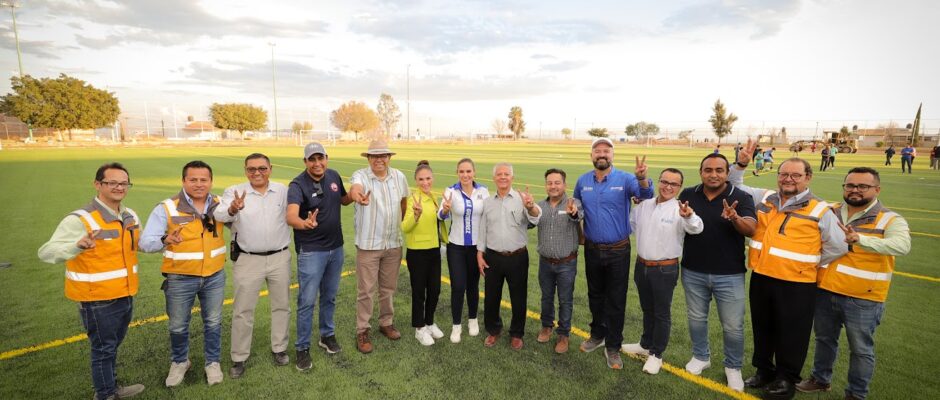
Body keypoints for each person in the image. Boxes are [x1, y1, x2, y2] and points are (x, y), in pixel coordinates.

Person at [732, 141, 848, 400]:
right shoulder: (765, 198)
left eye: (796, 175)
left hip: (797, 282)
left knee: (792, 332)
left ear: (808, 178)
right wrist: (741, 163)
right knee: (763, 327)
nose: (788, 179)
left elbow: (838, 246)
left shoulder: (820, 208)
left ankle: (786, 379)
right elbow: (735, 185)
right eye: (784, 174)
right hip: (762, 276)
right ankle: (764, 370)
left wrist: (804, 263)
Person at [796, 167, 910, 400]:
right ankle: (820, 379)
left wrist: (861, 239)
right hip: (826, 290)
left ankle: (856, 394)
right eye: (850, 185)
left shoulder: (890, 219)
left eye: (862, 186)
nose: (855, 190)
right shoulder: (831, 211)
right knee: (824, 339)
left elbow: (902, 246)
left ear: (877, 189)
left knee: (860, 349)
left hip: (863, 297)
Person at [38, 163, 145, 400]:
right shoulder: (81, 219)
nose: (119, 187)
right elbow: (46, 252)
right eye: (112, 183)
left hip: (125, 293)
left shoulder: (129, 215)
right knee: (104, 348)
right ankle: (105, 394)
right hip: (96, 298)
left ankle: (110, 387)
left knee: (111, 346)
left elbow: (137, 245)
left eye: (124, 183)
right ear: (98, 185)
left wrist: (166, 239)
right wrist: (76, 246)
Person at [668, 153, 755, 392]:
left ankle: (733, 367)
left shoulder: (741, 197)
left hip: (729, 273)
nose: (713, 174)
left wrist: (735, 218)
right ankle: (701, 356)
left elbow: (751, 230)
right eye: (708, 170)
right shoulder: (688, 194)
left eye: (719, 170)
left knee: (733, 325)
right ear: (701, 172)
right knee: (696, 318)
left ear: (727, 173)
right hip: (693, 270)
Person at [140, 161, 227, 387]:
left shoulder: (219, 204)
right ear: (183, 181)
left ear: (210, 181)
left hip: (214, 276)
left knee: (213, 321)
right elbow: (145, 242)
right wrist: (164, 240)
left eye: (203, 180)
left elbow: (237, 222)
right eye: (193, 179)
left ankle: (212, 363)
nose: (199, 184)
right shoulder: (167, 207)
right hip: (179, 278)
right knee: (178, 325)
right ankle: (180, 362)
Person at [574, 138, 653, 369]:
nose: (602, 154)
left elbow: (646, 197)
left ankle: (613, 346)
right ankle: (597, 335)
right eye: (597, 151)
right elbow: (576, 209)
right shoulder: (583, 181)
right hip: (592, 250)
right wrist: (573, 212)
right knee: (595, 296)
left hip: (618, 250)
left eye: (606, 151)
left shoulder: (626, 178)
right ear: (591, 155)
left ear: (612, 155)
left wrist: (641, 178)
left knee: (616, 300)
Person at [213, 153, 291, 378]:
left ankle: (280, 348)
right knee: (243, 310)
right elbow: (219, 215)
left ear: (270, 168)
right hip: (248, 259)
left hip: (279, 256)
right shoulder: (234, 191)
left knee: (282, 305)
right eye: (251, 169)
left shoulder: (282, 190)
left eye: (262, 168)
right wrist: (233, 209)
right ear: (245, 170)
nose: (257, 173)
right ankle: (239, 357)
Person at [621, 168, 703, 375]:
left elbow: (697, 228)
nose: (668, 187)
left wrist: (690, 217)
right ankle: (645, 343)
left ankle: (656, 354)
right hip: (642, 266)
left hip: (664, 270)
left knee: (661, 313)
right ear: (658, 182)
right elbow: (630, 226)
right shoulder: (643, 206)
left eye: (673, 184)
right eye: (664, 182)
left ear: (679, 187)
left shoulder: (681, 209)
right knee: (647, 309)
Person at [287, 142, 353, 370]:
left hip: (336, 248)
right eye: (311, 159)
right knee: (306, 301)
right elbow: (291, 216)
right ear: (305, 162)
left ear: (327, 157)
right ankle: (302, 347)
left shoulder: (333, 175)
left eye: (320, 158)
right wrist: (303, 223)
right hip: (312, 251)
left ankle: (327, 335)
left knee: (330, 296)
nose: (317, 163)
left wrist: (355, 195)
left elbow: (343, 199)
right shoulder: (297, 184)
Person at [348, 140, 410, 353]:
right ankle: (362, 330)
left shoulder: (399, 177)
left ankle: (386, 323)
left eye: (383, 155)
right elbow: (355, 189)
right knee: (366, 290)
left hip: (393, 243)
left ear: (389, 158)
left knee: (388, 288)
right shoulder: (361, 176)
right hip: (369, 244)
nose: (379, 160)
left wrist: (400, 223)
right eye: (374, 156)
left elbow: (404, 202)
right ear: (368, 158)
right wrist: (358, 196)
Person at [477, 162, 541, 350]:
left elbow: (536, 217)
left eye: (506, 174)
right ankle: (493, 330)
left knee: (518, 297)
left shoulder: (522, 199)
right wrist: (480, 254)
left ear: (512, 177)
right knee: (491, 297)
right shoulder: (488, 202)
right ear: (494, 178)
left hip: (517, 257)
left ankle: (516, 333)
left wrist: (530, 207)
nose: (503, 177)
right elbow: (483, 230)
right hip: (493, 257)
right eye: (499, 174)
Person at [437, 158, 489, 343]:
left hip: (476, 248)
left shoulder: (483, 191)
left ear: (474, 172)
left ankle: (473, 320)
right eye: (461, 171)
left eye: (468, 171)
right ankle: (456, 325)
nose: (465, 175)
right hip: (456, 247)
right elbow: (440, 216)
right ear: (457, 173)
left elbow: (487, 217)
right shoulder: (450, 191)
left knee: (473, 286)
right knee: (458, 287)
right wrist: (444, 210)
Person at [532, 168, 583, 354]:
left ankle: (563, 334)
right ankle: (546, 326)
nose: (553, 186)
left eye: (557, 182)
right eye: (549, 183)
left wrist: (573, 213)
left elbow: (579, 216)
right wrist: (529, 208)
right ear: (546, 185)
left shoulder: (573, 203)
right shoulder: (540, 206)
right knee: (546, 297)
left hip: (566, 264)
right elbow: (530, 221)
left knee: (565, 299)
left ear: (564, 185)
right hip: (545, 262)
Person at [401, 160, 448, 346]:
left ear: (433, 178)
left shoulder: (434, 197)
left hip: (434, 250)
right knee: (419, 292)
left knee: (435, 290)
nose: (425, 182)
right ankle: (419, 328)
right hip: (417, 253)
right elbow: (404, 227)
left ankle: (429, 322)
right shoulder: (412, 199)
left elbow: (438, 221)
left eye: (428, 178)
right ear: (415, 180)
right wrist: (416, 215)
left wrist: (445, 210)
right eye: (421, 179)